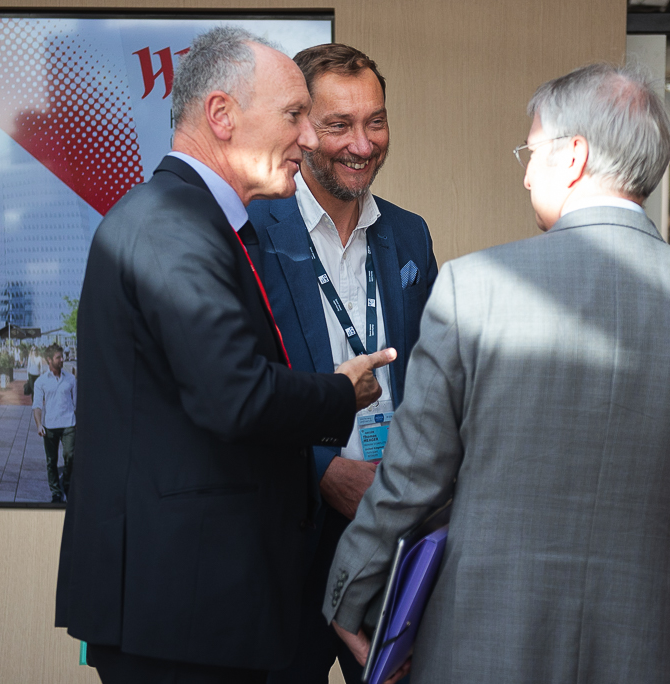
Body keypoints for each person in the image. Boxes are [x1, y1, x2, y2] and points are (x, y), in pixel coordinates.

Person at [323, 64, 670, 683]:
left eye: (532, 152)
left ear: (574, 157)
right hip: (656, 649)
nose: (527, 173)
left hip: (484, 646)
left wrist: (350, 592)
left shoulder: (473, 288)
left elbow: (412, 477)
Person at [54, 27, 395, 684]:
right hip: (179, 608)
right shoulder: (172, 224)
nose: (308, 138)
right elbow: (235, 395)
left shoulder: (191, 220)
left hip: (193, 604)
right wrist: (340, 392)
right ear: (221, 115)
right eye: (294, 116)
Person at [246, 43, 437, 684]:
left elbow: (432, 379)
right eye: (339, 125)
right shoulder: (249, 234)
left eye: (375, 121)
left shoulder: (410, 236)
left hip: (389, 533)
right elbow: (236, 389)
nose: (362, 144)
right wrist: (323, 471)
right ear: (301, 128)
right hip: (287, 537)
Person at [32, 343, 76, 503]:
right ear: (49, 360)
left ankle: (68, 485)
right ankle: (56, 492)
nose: (62, 359)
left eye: (62, 356)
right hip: (50, 426)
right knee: (51, 461)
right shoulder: (41, 382)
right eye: (58, 357)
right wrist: (39, 424)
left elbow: (77, 403)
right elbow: (37, 406)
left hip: (69, 424)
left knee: (70, 456)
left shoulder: (71, 379)